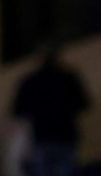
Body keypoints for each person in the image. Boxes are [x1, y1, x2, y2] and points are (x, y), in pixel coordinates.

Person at [11, 46, 90, 176]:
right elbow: (84, 104)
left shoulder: (31, 81)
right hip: (64, 136)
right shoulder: (68, 78)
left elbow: (17, 110)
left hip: (42, 137)